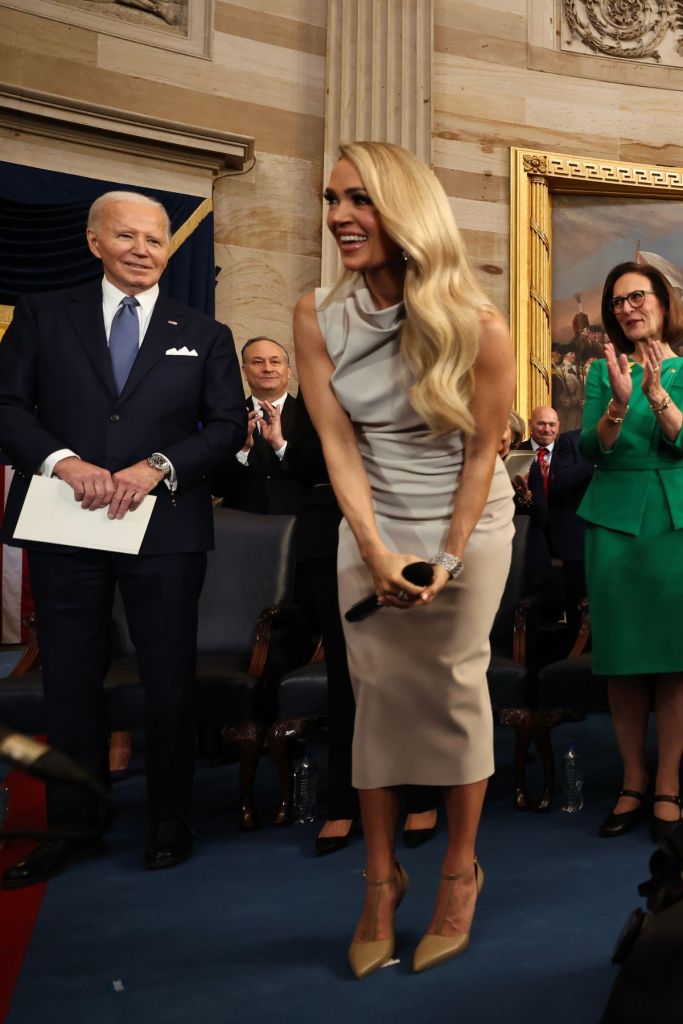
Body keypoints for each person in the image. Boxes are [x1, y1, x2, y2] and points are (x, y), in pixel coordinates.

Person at [293, 141, 515, 978]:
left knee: (456, 690)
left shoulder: (480, 326)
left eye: (361, 200)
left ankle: (458, 873)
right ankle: (380, 882)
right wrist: (375, 548)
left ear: (405, 211)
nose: (341, 216)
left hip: (467, 527)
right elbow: (337, 446)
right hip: (371, 524)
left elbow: (482, 457)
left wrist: (447, 560)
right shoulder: (315, 314)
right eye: (332, 198)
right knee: (377, 696)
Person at [0, 191, 245, 887]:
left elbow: (226, 427)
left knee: (169, 677)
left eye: (156, 239)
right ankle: (74, 824)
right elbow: (6, 405)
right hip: (63, 518)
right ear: (93, 241)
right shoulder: (44, 315)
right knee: (70, 681)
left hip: (163, 528)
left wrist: (157, 468)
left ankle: (171, 817)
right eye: (127, 236)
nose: (143, 249)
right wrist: (63, 463)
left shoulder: (204, 331)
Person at [579, 261, 683, 843]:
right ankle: (633, 781)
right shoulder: (602, 370)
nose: (627, 308)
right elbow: (595, 448)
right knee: (621, 660)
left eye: (637, 296)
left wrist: (658, 393)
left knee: (674, 660)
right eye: (617, 301)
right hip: (615, 522)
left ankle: (668, 783)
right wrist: (619, 402)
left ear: (663, 302)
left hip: (675, 520)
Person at [215, 336, 316, 515]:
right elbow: (218, 486)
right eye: (258, 362)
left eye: (275, 362)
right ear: (244, 371)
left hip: (300, 523)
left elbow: (319, 475)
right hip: (240, 526)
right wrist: (242, 451)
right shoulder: (226, 416)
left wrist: (281, 447)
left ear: (288, 370)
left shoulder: (312, 414)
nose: (268, 368)